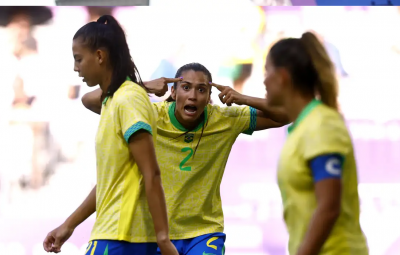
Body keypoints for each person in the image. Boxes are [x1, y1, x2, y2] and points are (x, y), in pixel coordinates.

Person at [81, 62, 289, 255]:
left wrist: (242, 98)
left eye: (201, 90)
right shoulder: (150, 114)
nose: (193, 96)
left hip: (203, 232)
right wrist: (141, 87)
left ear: (209, 97)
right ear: (173, 91)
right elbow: (89, 100)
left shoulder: (225, 119)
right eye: (186, 87)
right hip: (154, 234)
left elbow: (286, 113)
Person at [43, 15, 178, 255]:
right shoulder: (113, 100)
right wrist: (69, 225)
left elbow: (152, 172)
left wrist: (163, 239)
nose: (75, 68)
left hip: (122, 236)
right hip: (115, 234)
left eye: (78, 59)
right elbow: (110, 183)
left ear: (100, 56)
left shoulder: (128, 99)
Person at [264, 32, 368, 255]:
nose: (264, 80)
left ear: (282, 76)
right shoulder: (302, 127)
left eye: (267, 71)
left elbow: (329, 207)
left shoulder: (321, 124)